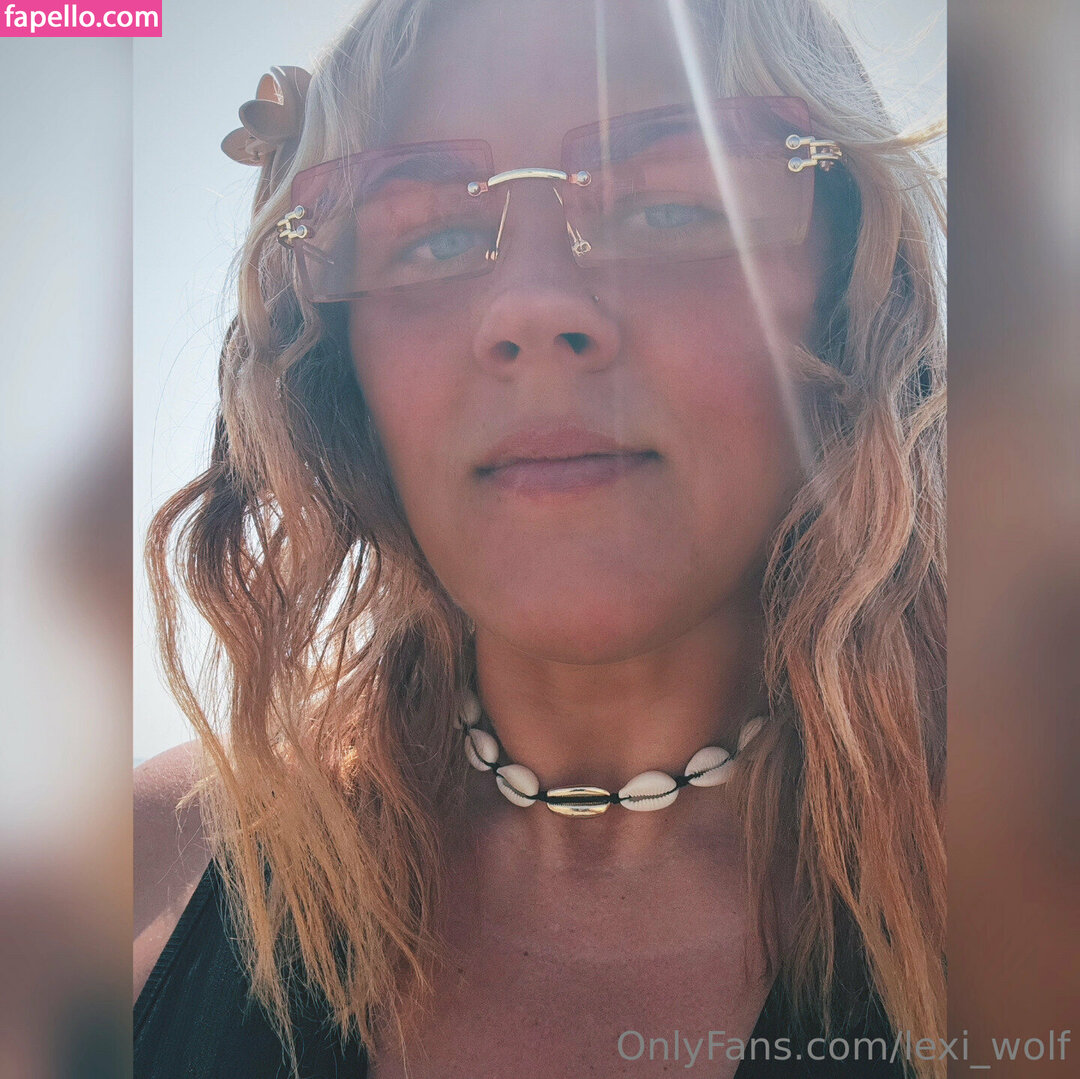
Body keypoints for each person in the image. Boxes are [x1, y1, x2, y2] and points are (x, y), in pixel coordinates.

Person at [135, 0, 946, 1076]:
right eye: (432, 235)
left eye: (668, 207)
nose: (527, 308)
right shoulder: (147, 874)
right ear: (339, 365)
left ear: (851, 288)